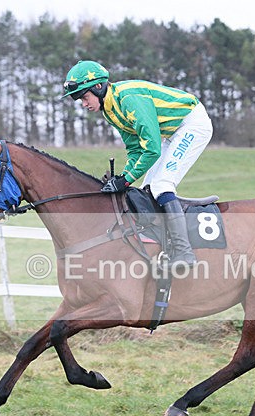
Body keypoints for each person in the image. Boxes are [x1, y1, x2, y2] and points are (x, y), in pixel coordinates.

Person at [61, 60, 213, 268]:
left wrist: (126, 180)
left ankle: (185, 253)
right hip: (171, 133)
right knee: (147, 190)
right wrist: (123, 176)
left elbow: (151, 149)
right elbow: (135, 149)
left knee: (162, 185)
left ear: (99, 86)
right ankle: (163, 247)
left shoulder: (129, 99)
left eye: (84, 97)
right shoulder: (110, 109)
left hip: (192, 125)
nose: (84, 104)